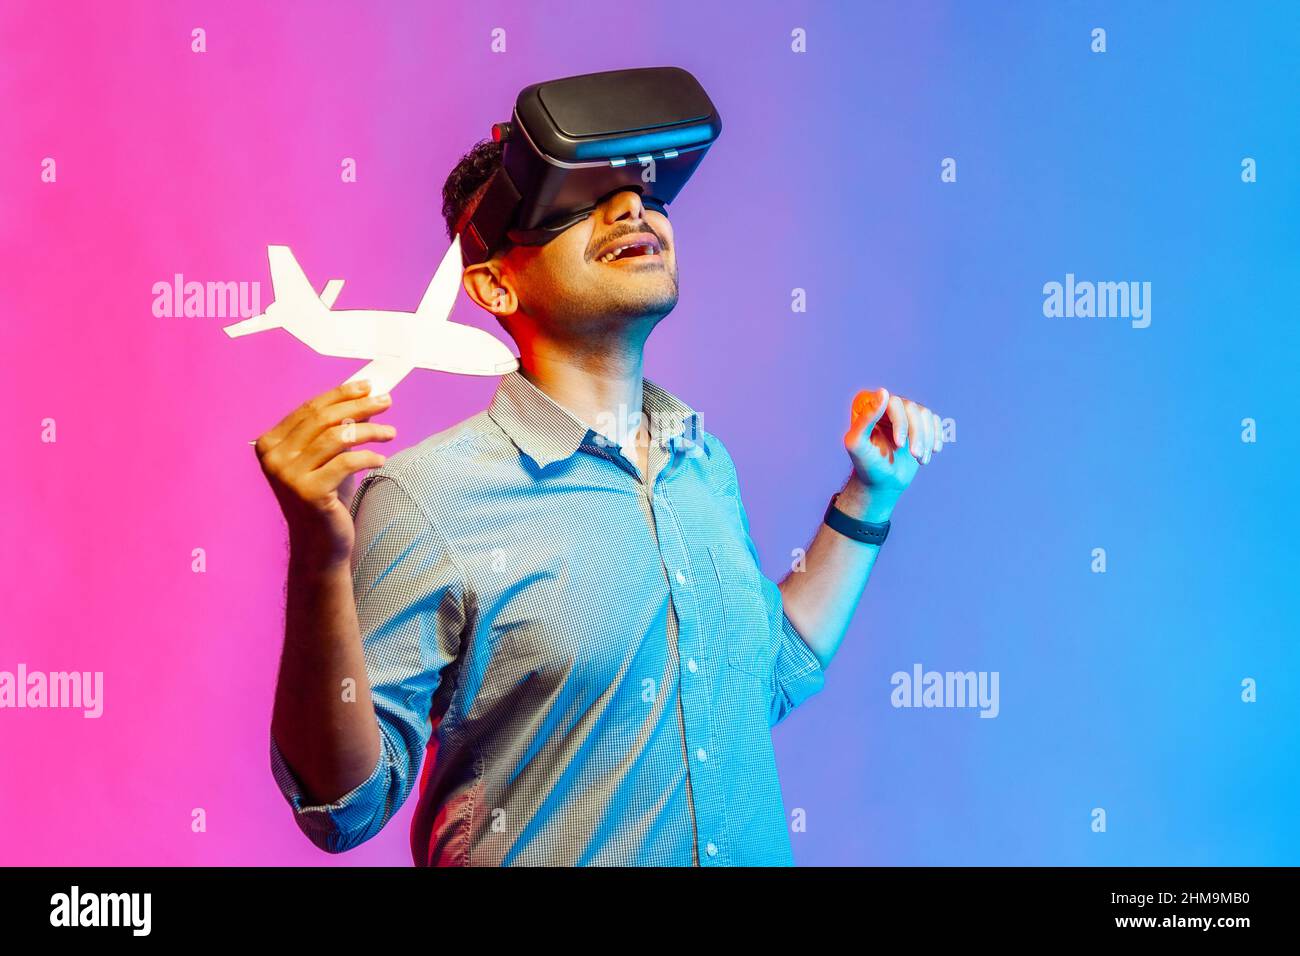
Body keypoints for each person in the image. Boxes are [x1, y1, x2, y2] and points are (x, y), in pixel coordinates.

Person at [259, 137, 945, 866]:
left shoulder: (703, 464)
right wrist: (316, 563)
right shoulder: (426, 498)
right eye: (577, 204)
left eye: (645, 195)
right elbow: (346, 805)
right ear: (495, 286)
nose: (631, 207)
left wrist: (868, 496)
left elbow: (761, 677)